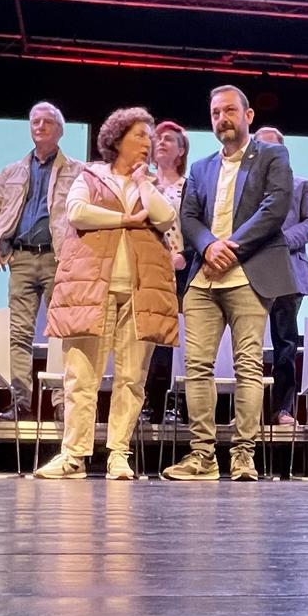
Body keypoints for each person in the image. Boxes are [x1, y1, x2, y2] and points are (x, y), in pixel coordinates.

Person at [33, 109, 179, 480]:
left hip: (140, 291)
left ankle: (118, 454)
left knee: (132, 378)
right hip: (89, 289)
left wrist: (144, 183)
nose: (147, 143)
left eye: (149, 137)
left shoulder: (151, 185)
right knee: (81, 377)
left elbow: (164, 219)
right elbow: (77, 213)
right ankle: (74, 455)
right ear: (117, 138)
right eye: (140, 136)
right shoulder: (90, 175)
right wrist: (125, 220)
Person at [163, 86, 295, 481]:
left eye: (230, 111)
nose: (223, 118)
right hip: (204, 277)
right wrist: (208, 244)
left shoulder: (272, 155)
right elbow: (187, 217)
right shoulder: (201, 167)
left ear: (248, 115)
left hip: (248, 273)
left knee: (248, 367)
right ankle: (202, 456)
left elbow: (276, 207)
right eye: (216, 112)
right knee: (197, 366)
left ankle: (243, 456)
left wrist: (230, 249)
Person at [0, 102, 82, 419]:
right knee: (19, 334)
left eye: (47, 121)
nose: (39, 126)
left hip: (58, 259)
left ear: (60, 130)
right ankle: (20, 402)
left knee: (63, 334)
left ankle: (62, 401)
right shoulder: (13, 171)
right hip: (20, 258)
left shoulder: (76, 170)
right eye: (35, 121)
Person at [254, 127, 308, 427]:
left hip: (289, 272)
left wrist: (280, 241)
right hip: (250, 271)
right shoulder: (246, 188)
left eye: (270, 147)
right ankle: (246, 412)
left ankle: (283, 408)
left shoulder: (301, 184)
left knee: (286, 345)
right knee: (246, 346)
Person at [143, 120, 190, 421]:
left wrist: (184, 255)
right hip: (149, 270)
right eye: (157, 139)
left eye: (169, 139)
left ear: (181, 149)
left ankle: (181, 403)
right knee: (153, 337)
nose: (161, 143)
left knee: (183, 337)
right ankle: (152, 404)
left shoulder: (191, 186)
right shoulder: (144, 184)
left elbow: (200, 227)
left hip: (184, 270)